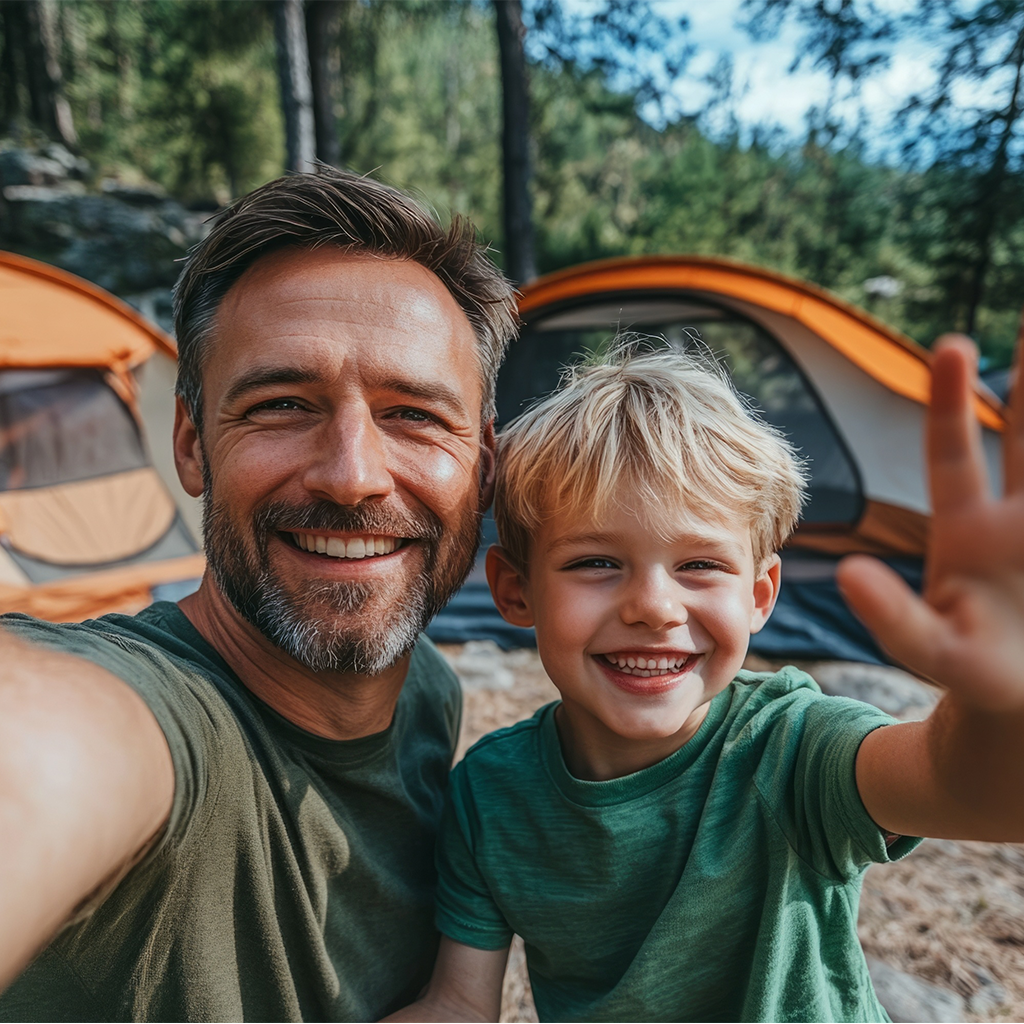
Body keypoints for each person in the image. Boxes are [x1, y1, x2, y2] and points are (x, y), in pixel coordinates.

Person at [0, 169, 517, 1021]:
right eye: (282, 405)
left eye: (415, 415)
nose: (352, 476)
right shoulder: (156, 726)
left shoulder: (428, 693)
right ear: (193, 444)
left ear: (485, 466)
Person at [386, 340, 1024, 1023]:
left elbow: (975, 795)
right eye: (597, 562)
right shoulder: (491, 795)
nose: (654, 607)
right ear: (516, 592)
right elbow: (459, 1004)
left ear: (760, 594)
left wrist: (999, 707)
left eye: (699, 566)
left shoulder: (793, 748)